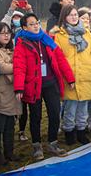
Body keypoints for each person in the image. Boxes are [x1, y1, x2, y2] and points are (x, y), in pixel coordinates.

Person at [14, 13, 75, 160]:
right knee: (35, 116)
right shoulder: (21, 43)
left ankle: (52, 143)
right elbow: (19, 66)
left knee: (54, 113)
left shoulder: (48, 40)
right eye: (31, 24)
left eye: (37, 23)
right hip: (33, 85)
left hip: (50, 83)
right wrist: (19, 88)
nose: (36, 26)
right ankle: (37, 146)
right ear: (24, 27)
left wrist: (70, 78)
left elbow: (60, 59)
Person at [55, 5, 91, 144]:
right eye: (70, 15)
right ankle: (69, 132)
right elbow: (58, 55)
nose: (74, 17)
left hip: (85, 74)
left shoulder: (86, 33)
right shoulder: (60, 36)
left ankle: (81, 131)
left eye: (75, 14)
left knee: (83, 107)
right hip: (70, 76)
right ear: (64, 17)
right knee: (70, 107)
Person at [0, 22, 22, 164]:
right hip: (1, 92)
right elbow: (2, 67)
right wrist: (19, 67)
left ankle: (10, 152)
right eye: (2, 33)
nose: (6, 35)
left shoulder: (13, 49)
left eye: (8, 32)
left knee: (10, 126)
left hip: (13, 92)